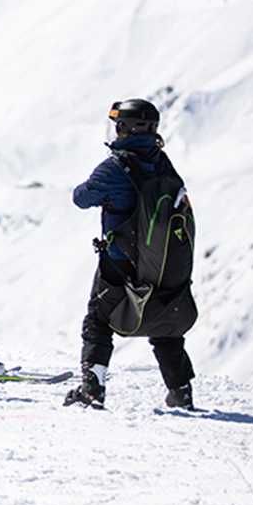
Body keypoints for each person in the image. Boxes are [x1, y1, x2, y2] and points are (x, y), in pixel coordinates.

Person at [63, 99, 196, 410]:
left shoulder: (115, 167)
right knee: (163, 323)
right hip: (163, 263)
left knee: (98, 320)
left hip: (119, 262)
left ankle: (92, 390)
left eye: (118, 125)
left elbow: (81, 198)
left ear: (125, 128)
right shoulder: (163, 162)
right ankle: (181, 391)